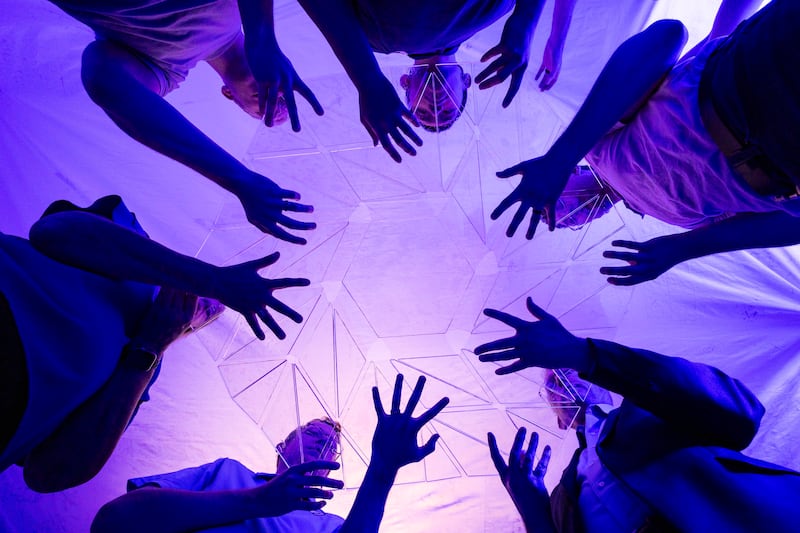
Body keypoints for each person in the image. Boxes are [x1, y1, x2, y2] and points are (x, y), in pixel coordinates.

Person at [0, 195, 309, 492]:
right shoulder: (133, 255)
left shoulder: (144, 366)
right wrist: (213, 279)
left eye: (211, 311)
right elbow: (55, 231)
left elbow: (51, 473)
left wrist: (148, 348)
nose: (210, 304)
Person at [490, 0, 800, 286]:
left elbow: (668, 35)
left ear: (572, 176)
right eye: (560, 221)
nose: (561, 213)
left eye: (547, 209)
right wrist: (682, 248)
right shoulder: (687, 221)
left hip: (750, 74)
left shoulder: (597, 144)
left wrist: (560, 159)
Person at [477, 297, 800, 532]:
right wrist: (533, 510)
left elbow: (741, 412)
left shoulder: (654, 407)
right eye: (553, 385)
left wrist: (582, 354)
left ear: (604, 384)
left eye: (568, 370)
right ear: (560, 421)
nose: (562, 378)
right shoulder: (563, 499)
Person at [47, 0, 323, 243]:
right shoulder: (244, 11)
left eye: (265, 111)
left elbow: (103, 80)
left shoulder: (160, 70)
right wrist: (262, 39)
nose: (274, 98)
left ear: (230, 95)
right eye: (283, 95)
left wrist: (241, 181)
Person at [90, 374, 450, 532]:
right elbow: (113, 522)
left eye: (332, 447)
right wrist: (260, 500)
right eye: (313, 434)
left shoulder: (331, 527)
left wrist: (382, 470)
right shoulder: (226, 473)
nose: (323, 445)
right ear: (282, 446)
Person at [296, 0, 577, 161]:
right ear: (466, 81)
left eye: (422, 112)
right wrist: (534, 27)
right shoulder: (491, 12)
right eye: (445, 111)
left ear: (405, 84)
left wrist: (368, 79)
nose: (434, 105)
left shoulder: (369, 40)